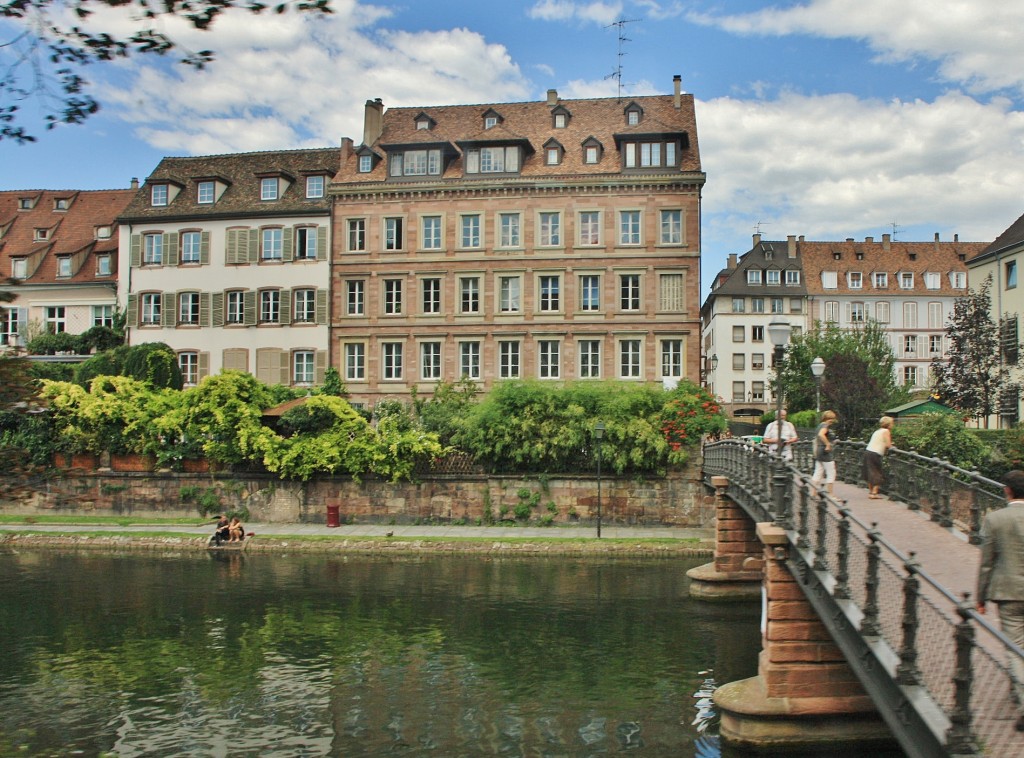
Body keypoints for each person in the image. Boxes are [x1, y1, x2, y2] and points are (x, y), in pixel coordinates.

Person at [975, 469, 1024, 731]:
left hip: (1008, 594)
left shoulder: (994, 520)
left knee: (1015, 649)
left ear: (1007, 490)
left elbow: (986, 564)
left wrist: (980, 597)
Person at [863, 416, 894, 499]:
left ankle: (871, 492)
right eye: (892, 423)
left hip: (868, 451)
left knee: (869, 472)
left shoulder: (878, 431)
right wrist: (892, 447)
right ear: (889, 424)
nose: (893, 425)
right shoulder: (886, 431)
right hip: (875, 453)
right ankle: (874, 493)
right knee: (877, 472)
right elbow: (888, 444)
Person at [811, 410, 838, 494]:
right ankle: (831, 494)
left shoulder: (820, 425)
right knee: (831, 472)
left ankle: (813, 493)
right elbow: (821, 435)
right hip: (825, 451)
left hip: (819, 450)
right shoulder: (825, 425)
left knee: (818, 472)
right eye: (831, 419)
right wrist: (828, 444)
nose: (833, 421)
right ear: (828, 418)